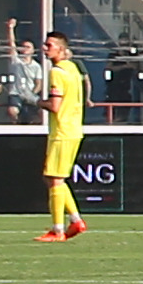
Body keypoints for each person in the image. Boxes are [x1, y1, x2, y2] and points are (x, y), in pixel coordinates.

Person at [32, 29, 90, 242]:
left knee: (55, 179)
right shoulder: (73, 69)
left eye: (49, 45)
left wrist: (37, 101)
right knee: (53, 178)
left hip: (63, 131)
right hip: (73, 129)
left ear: (61, 49)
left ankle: (57, 230)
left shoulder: (57, 71)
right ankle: (76, 221)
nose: (45, 49)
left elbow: (55, 105)